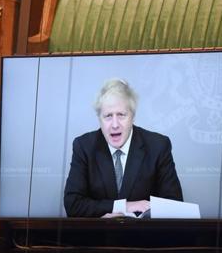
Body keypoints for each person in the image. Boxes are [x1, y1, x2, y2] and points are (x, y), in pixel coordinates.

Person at [64, 78, 183, 218]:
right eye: (108, 116)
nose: (115, 124)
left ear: (132, 117)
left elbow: (174, 205)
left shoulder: (158, 146)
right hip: (98, 237)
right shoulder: (84, 146)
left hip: (143, 237)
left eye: (121, 115)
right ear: (99, 119)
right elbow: (73, 204)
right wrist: (122, 206)